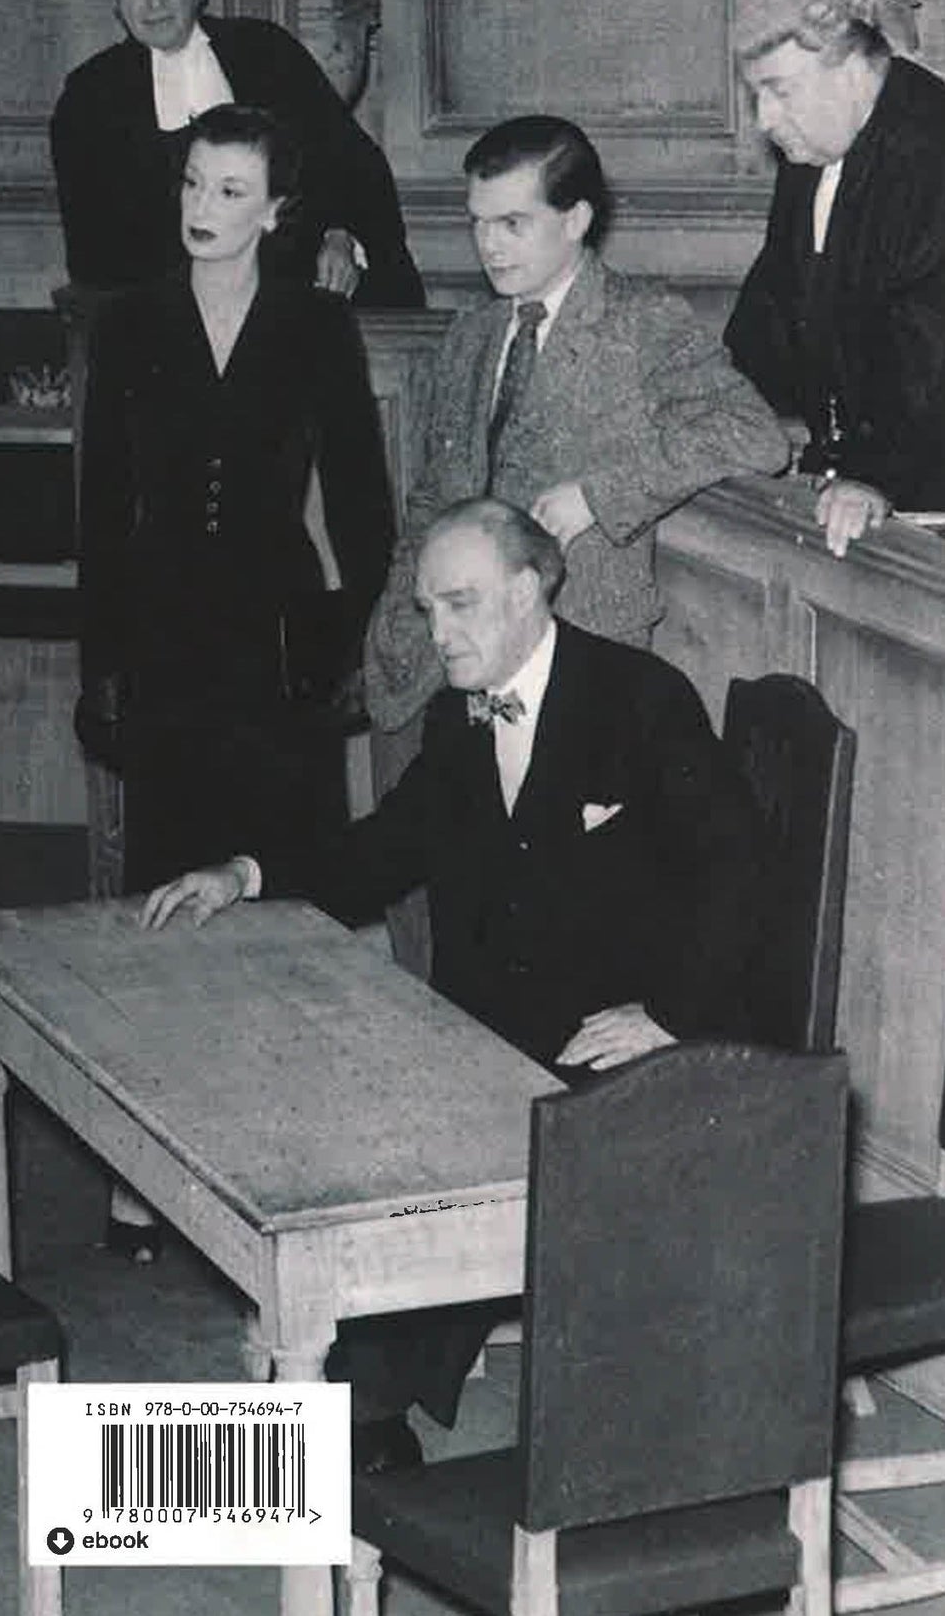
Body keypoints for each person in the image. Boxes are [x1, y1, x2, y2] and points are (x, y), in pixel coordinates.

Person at [143, 497, 765, 1469]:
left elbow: (740, 870)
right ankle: (346, 1391)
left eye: (460, 604)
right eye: (428, 609)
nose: (439, 632)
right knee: (355, 1104)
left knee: (440, 1146)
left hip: (618, 1039)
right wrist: (245, 872)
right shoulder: (455, 717)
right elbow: (379, 850)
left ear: (528, 590)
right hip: (490, 1025)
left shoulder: (640, 696)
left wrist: (669, 1016)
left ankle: (355, 1414)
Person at [77, 103, 395, 1255]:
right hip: (161, 638)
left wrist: (349, 644)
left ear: (276, 210)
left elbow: (361, 503)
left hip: (278, 638)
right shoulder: (130, 320)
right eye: (192, 184)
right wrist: (102, 661)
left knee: (282, 883)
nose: (202, 209)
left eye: (229, 191)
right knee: (164, 895)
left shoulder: (316, 323)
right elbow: (101, 507)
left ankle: (282, 1155)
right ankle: (145, 1176)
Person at [365, 114, 788, 730]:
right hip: (457, 669)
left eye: (513, 223)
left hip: (585, 658)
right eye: (478, 222)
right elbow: (436, 496)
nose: (489, 245)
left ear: (576, 220)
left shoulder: (641, 322)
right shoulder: (471, 334)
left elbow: (755, 433)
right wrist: (402, 631)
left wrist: (598, 495)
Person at [53, 0, 426, 306]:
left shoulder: (267, 52)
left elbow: (351, 165)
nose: (153, 1)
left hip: (300, 290)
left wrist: (340, 233)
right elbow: (95, 254)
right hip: (169, 311)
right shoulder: (89, 98)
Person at [724, 0, 945, 557]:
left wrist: (874, 476)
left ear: (850, 72)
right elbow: (771, 307)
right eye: (756, 95)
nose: (765, 119)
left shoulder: (932, 153)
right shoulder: (814, 151)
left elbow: (930, 355)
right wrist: (710, 396)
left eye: (780, 91)